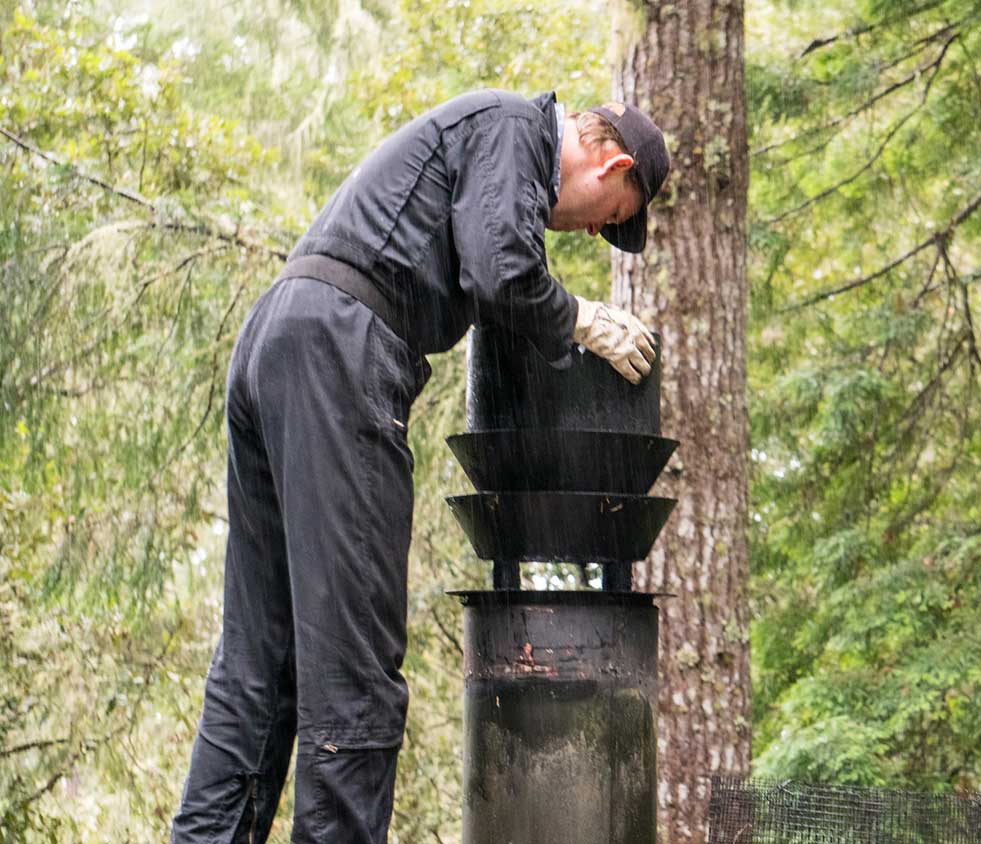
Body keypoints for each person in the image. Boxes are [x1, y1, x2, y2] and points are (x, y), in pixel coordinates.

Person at [170, 90, 670, 843]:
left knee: (261, 660)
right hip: (340, 351)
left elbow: (487, 263)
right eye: (612, 214)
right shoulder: (516, 130)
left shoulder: (488, 148)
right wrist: (582, 319)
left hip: (280, 338)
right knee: (356, 671)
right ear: (612, 161)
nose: (596, 229)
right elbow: (502, 271)